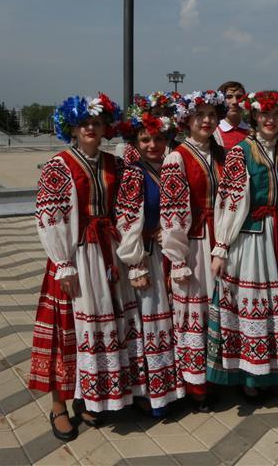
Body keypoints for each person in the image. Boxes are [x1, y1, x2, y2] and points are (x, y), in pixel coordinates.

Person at [29, 93, 134, 441]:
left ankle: (89, 395)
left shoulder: (113, 163)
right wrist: (63, 263)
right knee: (67, 331)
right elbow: (50, 219)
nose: (91, 128)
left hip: (107, 252)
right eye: (84, 123)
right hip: (74, 256)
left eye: (97, 123)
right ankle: (58, 405)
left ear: (106, 129)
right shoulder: (59, 166)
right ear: (72, 128)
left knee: (103, 328)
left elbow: (125, 206)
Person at [209, 91, 278, 402]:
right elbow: (229, 203)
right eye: (265, 114)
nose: (270, 120)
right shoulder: (241, 152)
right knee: (253, 304)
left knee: (276, 303)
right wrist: (222, 245)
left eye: (276, 115)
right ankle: (250, 375)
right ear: (254, 117)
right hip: (250, 237)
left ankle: (273, 370)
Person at [114, 92, 185, 416]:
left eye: (157, 138)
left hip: (170, 252)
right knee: (147, 320)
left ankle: (171, 387)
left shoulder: (172, 165)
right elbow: (127, 221)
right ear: (136, 141)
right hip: (146, 257)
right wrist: (136, 263)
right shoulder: (133, 172)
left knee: (170, 320)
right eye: (145, 139)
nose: (152, 145)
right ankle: (149, 393)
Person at [159, 90, 227, 412]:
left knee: (220, 309)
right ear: (187, 119)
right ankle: (197, 384)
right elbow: (172, 212)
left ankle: (219, 375)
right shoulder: (177, 157)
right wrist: (177, 258)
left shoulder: (222, 152)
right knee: (196, 312)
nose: (206, 120)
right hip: (196, 242)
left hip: (222, 238)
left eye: (212, 115)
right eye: (200, 114)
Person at [214, 81, 249, 150]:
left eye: (239, 97)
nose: (235, 102)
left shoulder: (253, 132)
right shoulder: (213, 132)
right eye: (229, 97)